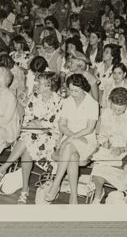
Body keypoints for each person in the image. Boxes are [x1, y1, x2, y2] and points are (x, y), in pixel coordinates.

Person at [0, 72, 63, 204]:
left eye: (39, 83)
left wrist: (40, 124)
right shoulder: (34, 97)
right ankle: (23, 189)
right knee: (27, 142)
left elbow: (57, 122)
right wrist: (31, 123)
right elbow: (28, 115)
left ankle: (6, 172)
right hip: (32, 133)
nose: (36, 85)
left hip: (49, 136)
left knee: (27, 142)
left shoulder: (60, 101)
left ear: (49, 86)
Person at [44, 73, 99, 204]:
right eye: (71, 90)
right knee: (72, 156)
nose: (73, 93)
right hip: (69, 138)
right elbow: (61, 124)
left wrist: (72, 137)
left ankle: (55, 184)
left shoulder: (92, 103)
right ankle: (73, 197)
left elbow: (89, 128)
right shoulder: (67, 102)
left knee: (68, 146)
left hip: (86, 140)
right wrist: (70, 136)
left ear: (83, 88)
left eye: (76, 90)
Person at [90, 87, 127, 203]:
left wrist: (123, 148)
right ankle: (98, 195)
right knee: (98, 169)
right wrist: (104, 142)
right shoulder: (106, 113)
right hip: (110, 151)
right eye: (114, 108)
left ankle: (118, 196)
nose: (116, 111)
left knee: (120, 169)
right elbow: (102, 135)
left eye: (119, 110)